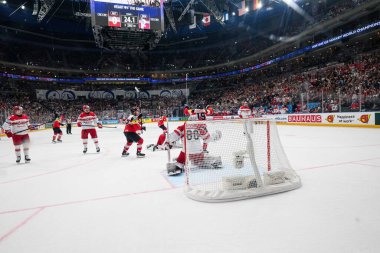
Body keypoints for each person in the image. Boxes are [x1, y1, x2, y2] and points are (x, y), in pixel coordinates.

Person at [166, 106, 222, 176]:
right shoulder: (200, 124)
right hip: (198, 149)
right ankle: (213, 160)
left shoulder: (184, 125)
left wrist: (168, 141)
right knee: (199, 159)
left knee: (181, 158)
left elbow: (174, 136)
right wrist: (212, 139)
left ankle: (178, 166)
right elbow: (206, 138)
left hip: (186, 151)